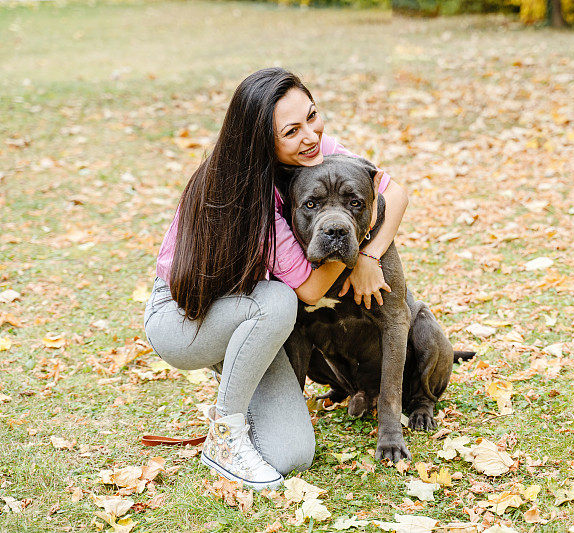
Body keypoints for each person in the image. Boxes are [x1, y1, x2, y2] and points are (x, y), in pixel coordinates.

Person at [142, 68, 408, 490]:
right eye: (292, 130)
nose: (311, 135)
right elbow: (311, 288)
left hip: (250, 314)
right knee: (281, 300)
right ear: (263, 142)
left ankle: (238, 377)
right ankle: (225, 435)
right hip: (185, 318)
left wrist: (370, 254)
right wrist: (351, 241)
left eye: (313, 116)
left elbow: (393, 192)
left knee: (292, 454)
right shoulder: (246, 194)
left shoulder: (312, 153)